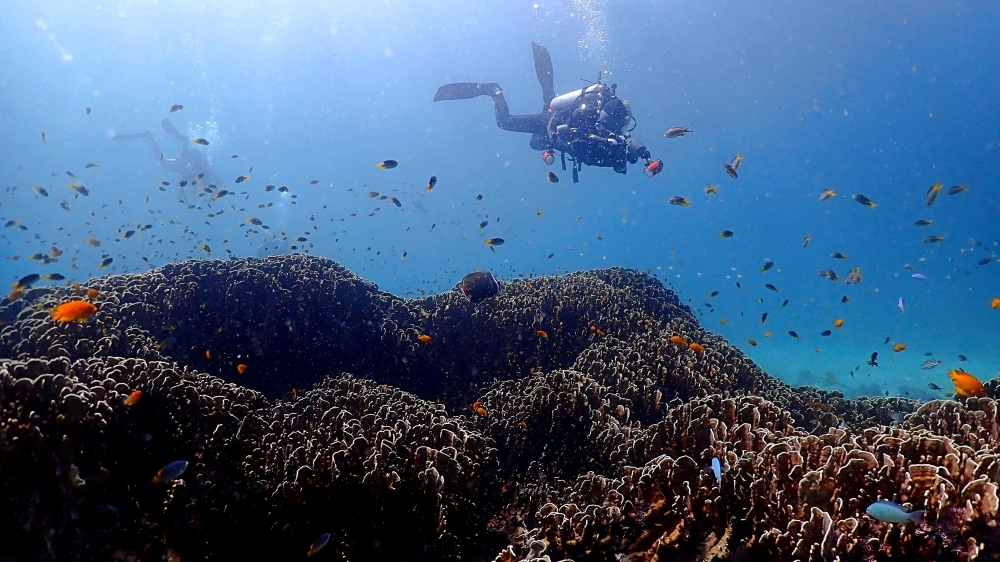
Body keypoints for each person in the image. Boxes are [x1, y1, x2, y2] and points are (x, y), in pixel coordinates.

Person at [434, 42, 662, 183]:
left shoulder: (615, 140)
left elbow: (631, 147)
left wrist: (646, 158)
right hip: (553, 121)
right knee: (506, 122)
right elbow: (577, 140)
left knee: (542, 123)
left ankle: (548, 96)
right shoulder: (596, 128)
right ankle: (494, 91)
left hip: (558, 125)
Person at [113, 118, 222, 199]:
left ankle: (150, 137)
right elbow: (180, 184)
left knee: (161, 161)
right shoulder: (204, 173)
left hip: (187, 164)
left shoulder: (199, 176)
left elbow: (181, 185)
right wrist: (188, 201)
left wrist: (210, 196)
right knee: (178, 163)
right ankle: (184, 142)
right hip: (189, 162)